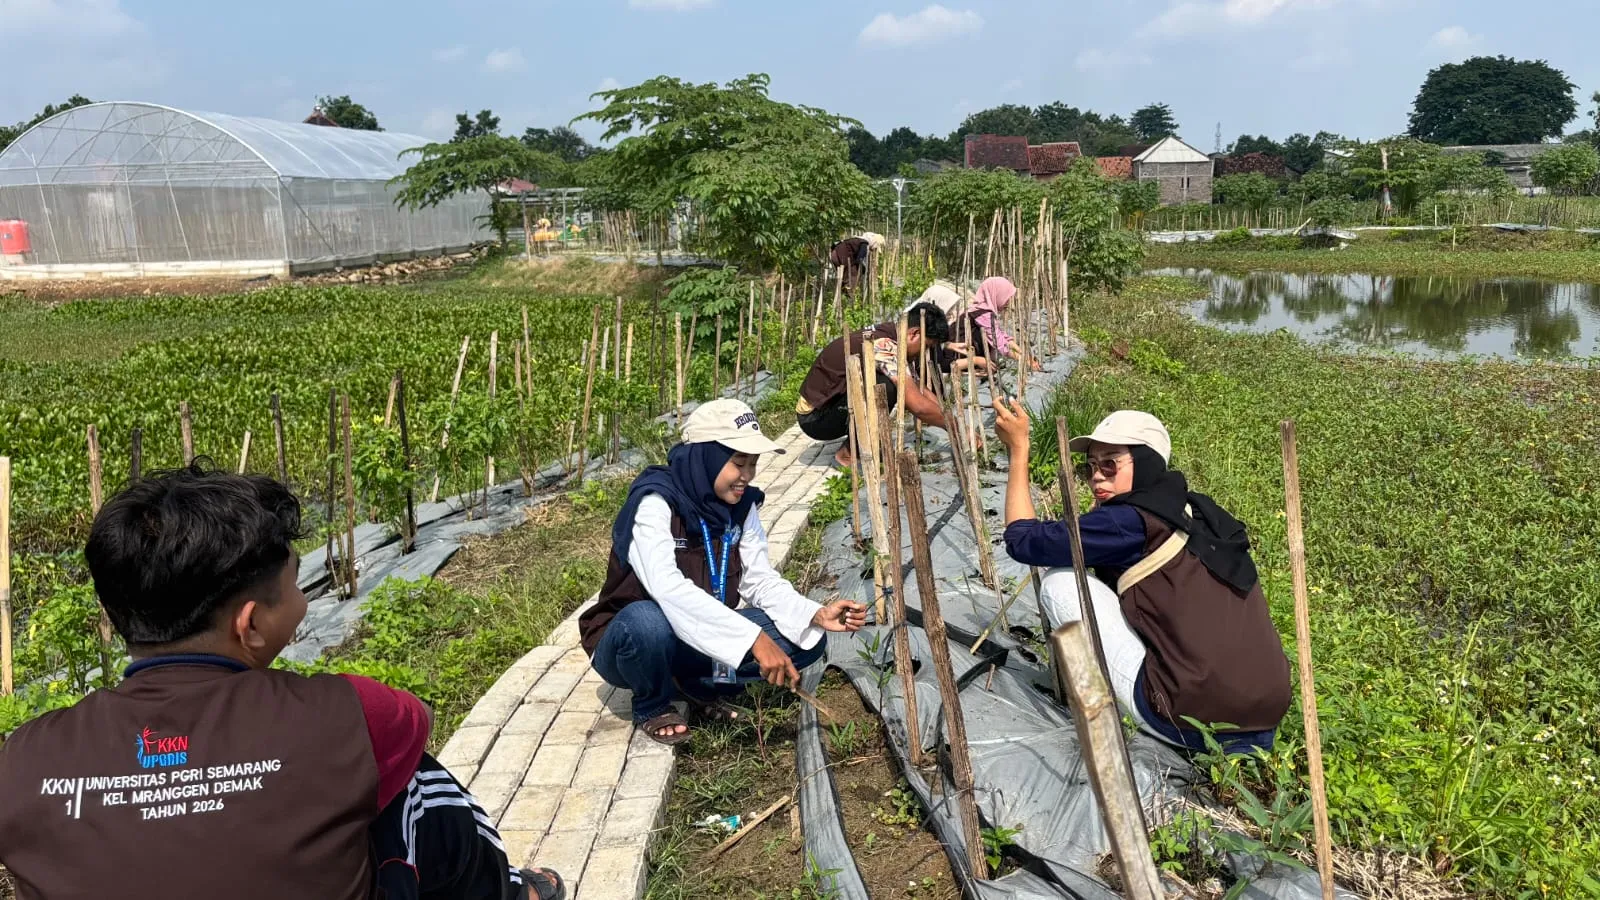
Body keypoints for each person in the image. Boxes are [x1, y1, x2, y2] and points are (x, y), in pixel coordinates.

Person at [0, 463, 566, 899]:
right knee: (411, 788)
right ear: (249, 625)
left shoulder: (22, 760)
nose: (302, 598)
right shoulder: (348, 714)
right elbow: (417, 722)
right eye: (296, 584)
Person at [993, 404, 1291, 755]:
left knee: (1060, 583)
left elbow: (1023, 541)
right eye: (1090, 467)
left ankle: (1100, 716)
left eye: (1110, 464)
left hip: (1187, 718)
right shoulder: (1197, 511)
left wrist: (1018, 452)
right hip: (1265, 720)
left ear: (1146, 463)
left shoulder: (1129, 522)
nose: (1097, 478)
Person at [582, 399, 867, 744]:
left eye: (753, 463)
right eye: (738, 463)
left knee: (807, 639)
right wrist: (753, 640)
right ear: (707, 458)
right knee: (647, 621)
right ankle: (652, 703)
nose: (747, 476)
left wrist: (814, 613)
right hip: (632, 643)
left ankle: (694, 684)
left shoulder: (740, 507)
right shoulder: (655, 502)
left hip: (694, 634)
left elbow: (758, 578)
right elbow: (667, 588)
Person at [795, 302, 950, 467]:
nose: (924, 352)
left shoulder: (895, 331)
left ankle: (864, 442)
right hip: (816, 419)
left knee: (892, 382)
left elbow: (918, 386)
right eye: (926, 346)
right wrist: (954, 429)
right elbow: (917, 405)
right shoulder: (886, 346)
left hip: (829, 406)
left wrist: (948, 415)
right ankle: (848, 454)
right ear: (915, 333)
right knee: (885, 387)